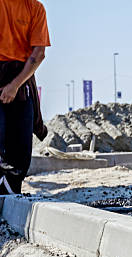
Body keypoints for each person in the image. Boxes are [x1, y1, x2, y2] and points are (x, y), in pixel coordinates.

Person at [0, 0, 50, 195]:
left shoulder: (34, 8)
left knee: (20, 151)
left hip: (21, 79)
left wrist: (14, 85)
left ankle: (11, 192)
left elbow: (39, 53)